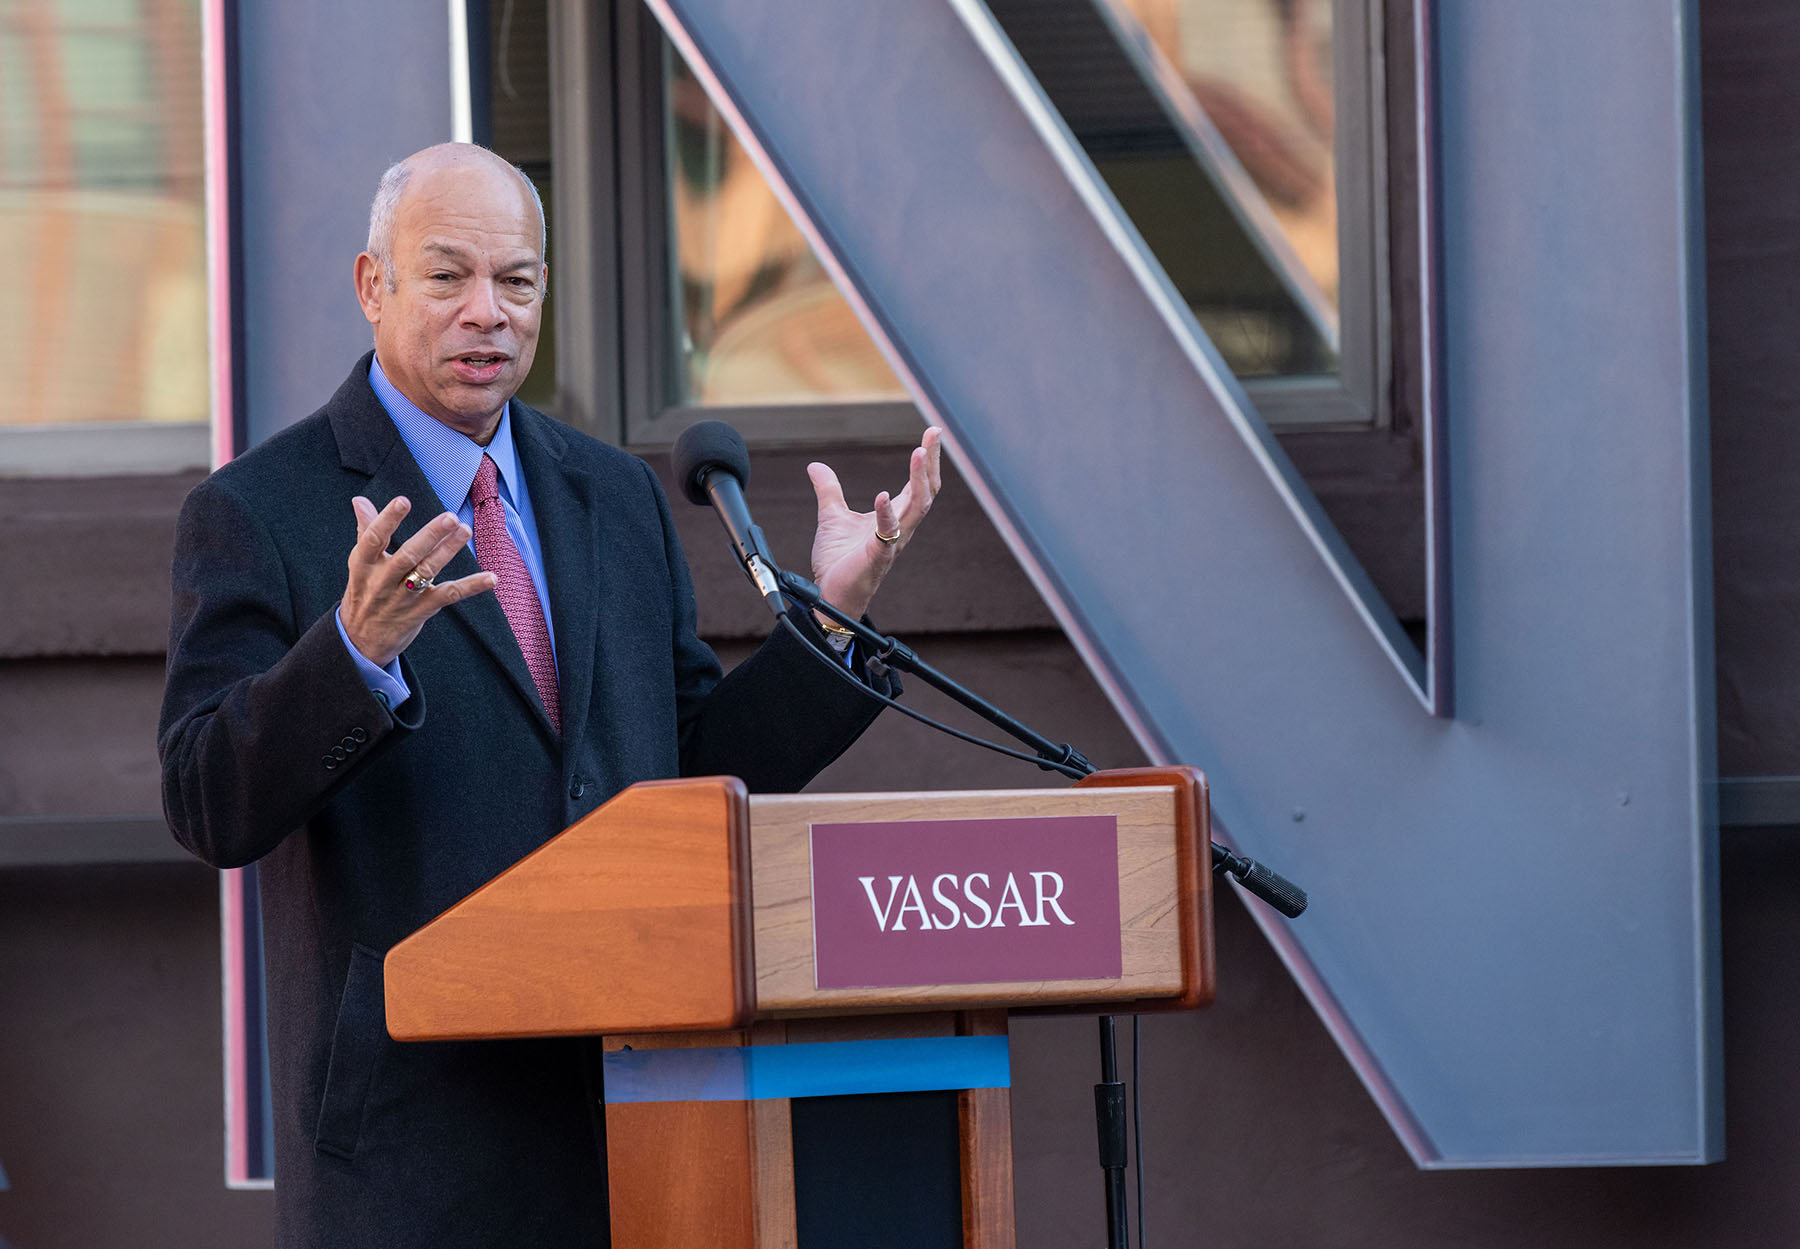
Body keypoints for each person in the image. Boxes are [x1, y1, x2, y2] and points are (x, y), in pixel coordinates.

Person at [158, 142, 940, 1248]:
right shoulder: (261, 508)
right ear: (372, 285)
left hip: (649, 1114)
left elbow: (689, 767)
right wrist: (352, 651)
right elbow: (205, 800)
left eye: (516, 281)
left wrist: (829, 619)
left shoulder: (612, 493)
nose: (488, 312)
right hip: (415, 1143)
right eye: (448, 277)